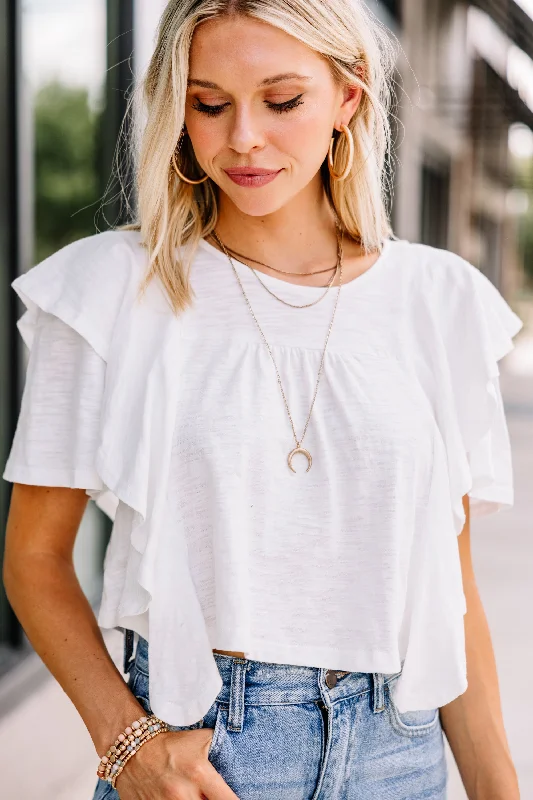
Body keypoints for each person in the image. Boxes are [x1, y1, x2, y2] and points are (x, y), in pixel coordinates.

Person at [2, 1, 523, 798]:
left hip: (400, 751)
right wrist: (127, 742)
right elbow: (36, 559)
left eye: (281, 101)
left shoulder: (437, 301)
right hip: (204, 750)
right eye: (209, 103)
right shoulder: (110, 292)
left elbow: (448, 593)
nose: (243, 136)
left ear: (347, 100)